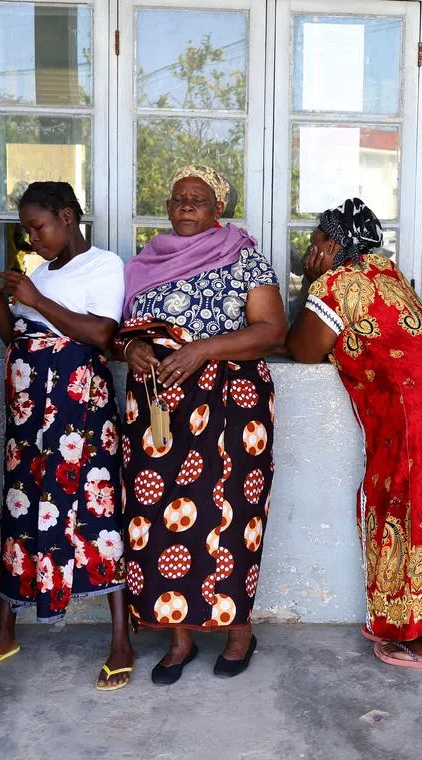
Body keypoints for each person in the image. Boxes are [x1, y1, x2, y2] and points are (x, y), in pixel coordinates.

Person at [286, 198, 422, 673]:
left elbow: (305, 350)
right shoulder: (387, 274)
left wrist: (310, 284)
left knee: (416, 518)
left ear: (334, 244)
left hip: (417, 414)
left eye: (316, 243)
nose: (311, 251)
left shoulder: (337, 284)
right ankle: (401, 622)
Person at [115, 164, 285, 683]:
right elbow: (117, 332)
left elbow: (272, 330)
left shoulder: (244, 258)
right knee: (159, 516)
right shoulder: (142, 263)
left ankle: (239, 633)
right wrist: (131, 349)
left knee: (233, 515)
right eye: (178, 197)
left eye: (199, 198)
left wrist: (202, 350)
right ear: (167, 208)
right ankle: (179, 638)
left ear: (218, 211)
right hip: (158, 407)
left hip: (232, 402)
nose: (186, 204)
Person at [0, 181, 134, 690]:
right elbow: (13, 335)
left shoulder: (104, 265)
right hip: (27, 411)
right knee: (20, 508)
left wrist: (33, 296)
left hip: (77, 411)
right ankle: (4, 632)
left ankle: (121, 641)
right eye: (26, 230)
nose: (32, 238)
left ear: (67, 217)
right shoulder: (41, 271)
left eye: (38, 227)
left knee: (96, 512)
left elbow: (102, 334)